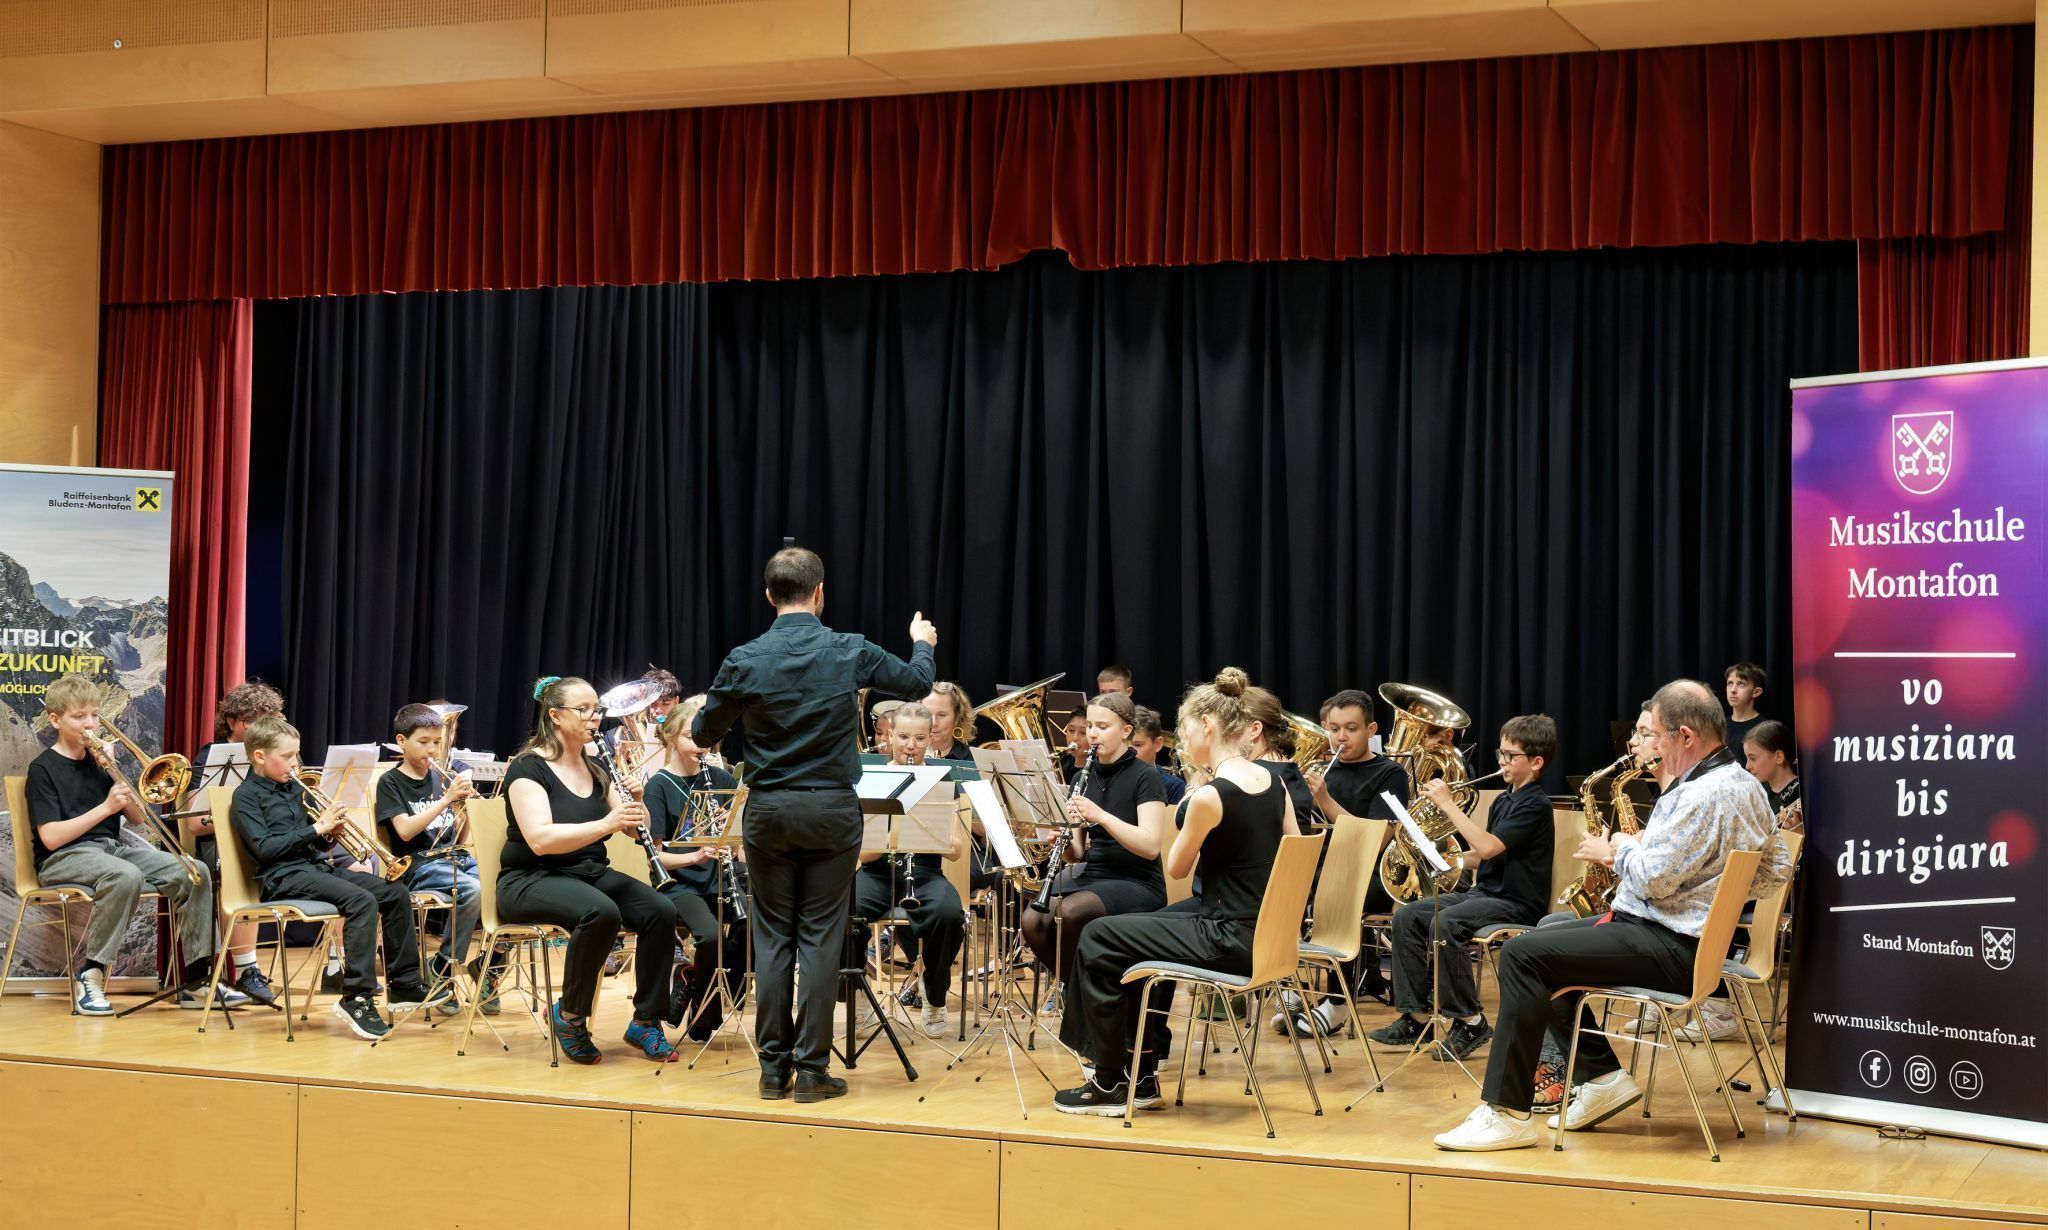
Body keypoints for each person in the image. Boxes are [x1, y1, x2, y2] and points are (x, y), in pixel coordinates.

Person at [1434, 679, 1792, 1151]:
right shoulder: (1746, 785)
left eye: (1658, 736)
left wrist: (1622, 847)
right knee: (1550, 935)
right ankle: (1602, 1079)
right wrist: (1705, 884)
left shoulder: (1699, 794)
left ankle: (1508, 1112)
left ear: (1685, 736)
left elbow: (1651, 881)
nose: (1654, 748)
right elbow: (1776, 870)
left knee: (1523, 954)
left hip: (1670, 944)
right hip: (1687, 940)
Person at [692, 546, 938, 1104]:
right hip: (830, 810)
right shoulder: (849, 649)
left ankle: (771, 1071)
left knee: (773, 936)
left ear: (769, 595)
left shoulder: (744, 657)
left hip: (770, 811)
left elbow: (705, 734)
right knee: (821, 938)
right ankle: (811, 1072)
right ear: (820, 592)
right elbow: (917, 685)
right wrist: (923, 644)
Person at [1054, 668, 1296, 1114]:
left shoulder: (1210, 795)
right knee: (1129, 931)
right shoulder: (1274, 782)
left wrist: (1192, 799)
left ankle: (1108, 1080)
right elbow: (1293, 854)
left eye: (1184, 728)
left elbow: (1175, 865)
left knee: (1099, 935)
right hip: (1266, 929)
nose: (1182, 738)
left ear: (1206, 725)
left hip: (1227, 934)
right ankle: (1140, 1069)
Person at [499, 676, 680, 1064]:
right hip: (531, 878)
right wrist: (606, 824)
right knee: (601, 912)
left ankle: (646, 1021)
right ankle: (570, 1015)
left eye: (596, 709)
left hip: (587, 872)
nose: (594, 717)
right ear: (555, 716)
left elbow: (634, 827)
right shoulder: (528, 768)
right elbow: (540, 840)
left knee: (660, 911)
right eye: (584, 710)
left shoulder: (597, 765)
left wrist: (637, 799)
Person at [26, 675, 227, 1015]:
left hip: (109, 849)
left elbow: (136, 817)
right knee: (125, 876)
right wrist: (105, 807)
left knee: (195, 871)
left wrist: (116, 771)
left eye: (94, 715)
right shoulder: (43, 768)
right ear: (56, 719)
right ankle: (90, 974)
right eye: (79, 717)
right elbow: (51, 837)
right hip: (62, 857)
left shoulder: (99, 761)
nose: (90, 724)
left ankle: (197, 979)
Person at [1366, 715, 1557, 1062]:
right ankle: (1416, 1017)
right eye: (1500, 753)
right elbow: (1482, 857)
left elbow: (1488, 848)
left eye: (1511, 756)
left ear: (1536, 762)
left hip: (1516, 902)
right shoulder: (1504, 800)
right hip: (1484, 894)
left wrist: (1448, 805)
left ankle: (1470, 1020)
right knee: (1407, 917)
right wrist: (1442, 860)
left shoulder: (1536, 804)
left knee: (1447, 924)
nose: (1502, 762)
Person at [230, 716, 428, 1040]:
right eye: (287, 756)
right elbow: (265, 849)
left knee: (395, 893)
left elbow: (314, 843)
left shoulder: (295, 789)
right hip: (281, 877)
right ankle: (357, 997)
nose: (295, 763)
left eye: (296, 754)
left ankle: (404, 983)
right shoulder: (246, 797)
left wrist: (329, 835)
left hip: (314, 868)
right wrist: (315, 828)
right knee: (361, 901)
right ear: (259, 756)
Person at [1018, 691, 1170, 1062]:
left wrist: (1100, 815)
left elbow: (1150, 845)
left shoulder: (1146, 777)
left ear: (1126, 730)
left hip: (1137, 881)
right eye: (1090, 728)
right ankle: (1093, 1000)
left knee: (1070, 912)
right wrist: (1063, 839)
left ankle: (1092, 1011)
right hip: (1097, 873)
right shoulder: (1082, 778)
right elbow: (1079, 853)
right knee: (1034, 919)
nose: (1093, 735)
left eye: (1103, 727)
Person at [851, 702, 967, 1038]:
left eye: (919, 738)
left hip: (926, 872)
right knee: (848, 910)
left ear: (930, 738)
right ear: (889, 736)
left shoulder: (941, 778)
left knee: (948, 914)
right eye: (903, 737)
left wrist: (938, 836)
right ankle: (858, 995)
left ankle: (934, 993)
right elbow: (864, 855)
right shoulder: (871, 778)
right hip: (879, 872)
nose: (911, 746)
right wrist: (891, 837)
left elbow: (957, 850)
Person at [642, 694, 747, 1041]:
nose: (699, 745)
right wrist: (696, 855)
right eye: (690, 737)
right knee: (711, 934)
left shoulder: (723, 779)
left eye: (704, 738)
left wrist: (730, 835)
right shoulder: (659, 785)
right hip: (679, 881)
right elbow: (656, 857)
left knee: (758, 924)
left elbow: (740, 842)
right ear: (672, 736)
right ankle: (704, 1012)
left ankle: (702, 985)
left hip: (720, 877)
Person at [374, 703, 489, 1014]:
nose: (432, 750)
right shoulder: (391, 783)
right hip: (418, 864)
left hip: (453, 857)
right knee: (471, 890)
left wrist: (464, 809)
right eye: (423, 742)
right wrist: (446, 801)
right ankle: (446, 968)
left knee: (501, 881)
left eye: (437, 743)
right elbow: (406, 831)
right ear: (401, 741)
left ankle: (482, 964)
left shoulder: (445, 777)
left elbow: (457, 837)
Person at [187, 680, 286, 1006]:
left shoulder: (271, 759)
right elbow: (194, 824)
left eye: (267, 721)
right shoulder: (210, 757)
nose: (262, 730)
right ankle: (247, 970)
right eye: (253, 721)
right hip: (219, 845)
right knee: (242, 865)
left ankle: (336, 963)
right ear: (232, 722)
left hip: (260, 840)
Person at [1743, 719, 1802, 831]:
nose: (1747, 766)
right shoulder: (1756, 793)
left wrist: (1798, 833)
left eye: (1753, 758)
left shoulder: (1804, 793)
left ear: (1779, 756)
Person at [1130, 706, 1186, 806]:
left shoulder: (1174, 786)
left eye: (1138, 745)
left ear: (1158, 744)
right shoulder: (1112, 779)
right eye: (1123, 744)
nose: (1129, 751)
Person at [1724, 662, 1766, 754]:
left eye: (1741, 684)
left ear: (1756, 692)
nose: (1733, 690)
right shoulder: (1720, 727)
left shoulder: (1764, 729)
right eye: (1730, 683)